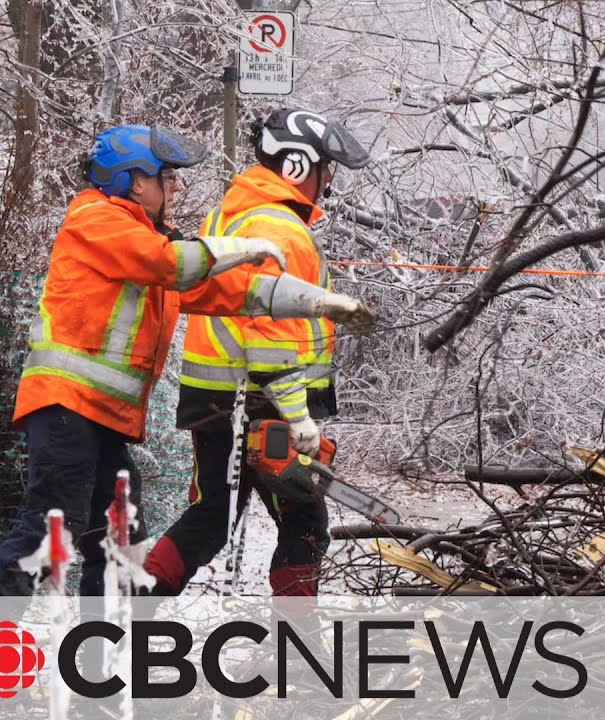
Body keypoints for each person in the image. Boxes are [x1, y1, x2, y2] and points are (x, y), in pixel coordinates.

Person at [0, 124, 376, 598]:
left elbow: (224, 291)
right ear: (134, 180)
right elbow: (167, 264)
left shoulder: (146, 238)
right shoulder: (96, 221)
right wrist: (243, 249)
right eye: (167, 177)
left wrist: (315, 302)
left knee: (119, 536)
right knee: (52, 531)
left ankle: (100, 657)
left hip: (102, 417)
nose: (176, 187)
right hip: (68, 407)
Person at [144, 108, 372, 597]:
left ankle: (133, 607)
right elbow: (269, 333)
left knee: (211, 514)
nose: (326, 182)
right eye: (324, 169)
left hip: (213, 393)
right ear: (297, 165)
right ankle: (298, 642)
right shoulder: (283, 231)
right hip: (262, 397)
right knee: (305, 522)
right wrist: (298, 417)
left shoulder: (230, 213)